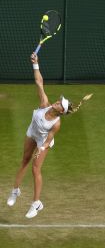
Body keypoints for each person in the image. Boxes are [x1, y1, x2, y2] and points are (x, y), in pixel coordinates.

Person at [7, 52, 92, 219]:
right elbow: (39, 82)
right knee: (24, 160)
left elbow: (48, 140)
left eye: (61, 104)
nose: (58, 102)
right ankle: (15, 191)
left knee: (35, 168)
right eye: (59, 100)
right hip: (32, 132)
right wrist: (35, 64)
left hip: (42, 140)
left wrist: (41, 148)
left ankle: (36, 203)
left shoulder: (56, 124)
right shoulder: (44, 103)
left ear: (62, 111)